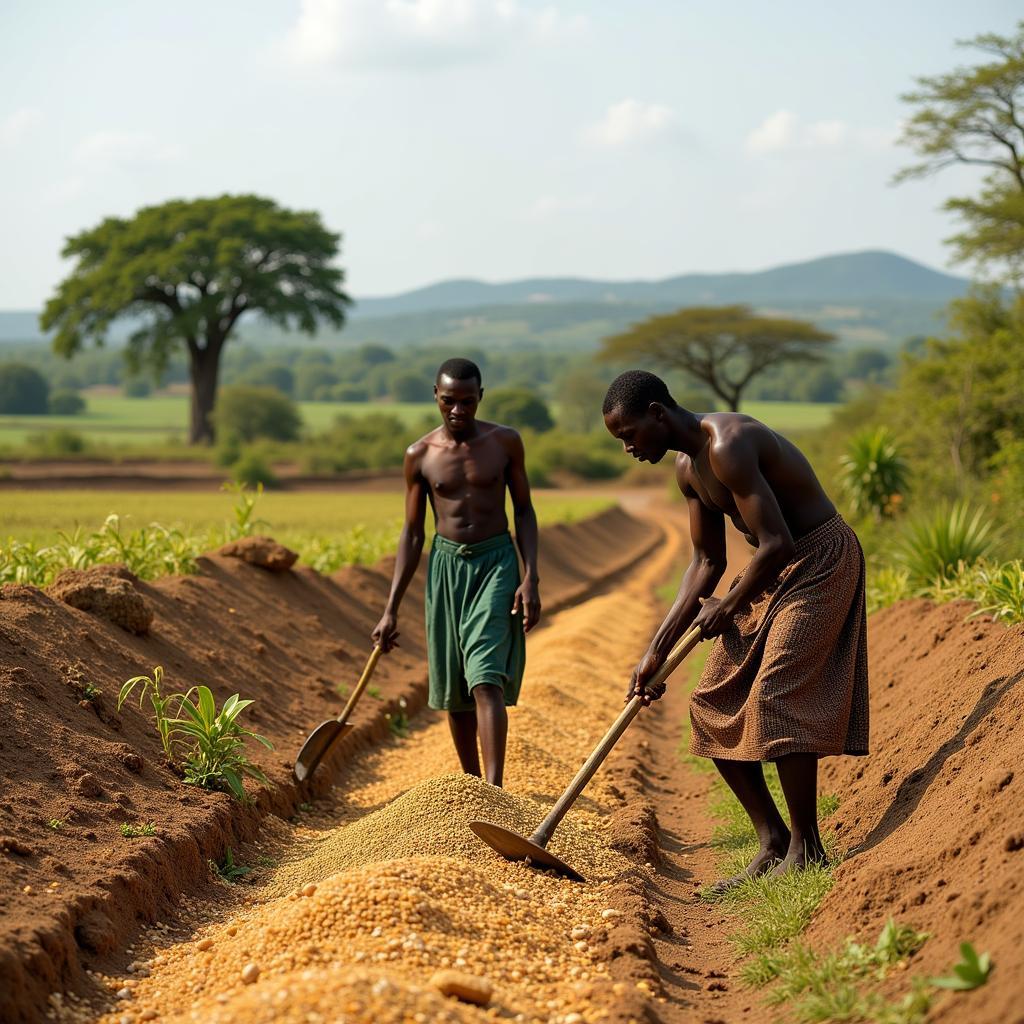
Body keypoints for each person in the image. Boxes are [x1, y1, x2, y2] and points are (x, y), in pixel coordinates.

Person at [602, 369, 868, 887]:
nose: (628, 448)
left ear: (658, 413)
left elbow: (779, 543)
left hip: (820, 560)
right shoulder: (686, 468)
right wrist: (656, 650)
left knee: (775, 692)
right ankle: (770, 840)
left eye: (630, 434)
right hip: (770, 569)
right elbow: (705, 563)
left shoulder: (728, 443)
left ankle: (806, 845)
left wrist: (726, 608)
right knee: (710, 700)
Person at [372, 357, 541, 787]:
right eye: (449, 401)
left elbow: (523, 510)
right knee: (455, 689)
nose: (458, 411)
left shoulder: (505, 443)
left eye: (468, 401)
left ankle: (494, 788)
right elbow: (412, 534)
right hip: (446, 568)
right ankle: (471, 789)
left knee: (485, 676)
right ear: (435, 396)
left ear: (481, 397)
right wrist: (390, 608)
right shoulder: (420, 455)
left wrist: (530, 576)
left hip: (496, 562)